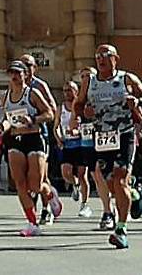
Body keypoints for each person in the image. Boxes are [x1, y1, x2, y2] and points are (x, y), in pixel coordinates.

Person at [73, 43, 142, 250]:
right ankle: (134, 195)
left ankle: (121, 229)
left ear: (115, 58)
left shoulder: (126, 78)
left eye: (105, 55)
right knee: (110, 184)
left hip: (124, 133)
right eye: (97, 56)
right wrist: (83, 113)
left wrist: (137, 100)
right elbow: (78, 104)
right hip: (102, 136)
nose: (101, 59)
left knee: (120, 177)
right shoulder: (89, 82)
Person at [2, 61, 60, 237]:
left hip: (34, 139)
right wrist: (1, 128)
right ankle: (32, 223)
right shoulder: (7, 95)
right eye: (12, 73)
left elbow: (49, 113)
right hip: (15, 140)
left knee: (35, 185)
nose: (14, 76)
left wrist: (33, 119)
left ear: (25, 75)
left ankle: (50, 195)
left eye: (18, 73)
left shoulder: (32, 93)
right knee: (20, 183)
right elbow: (7, 119)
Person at [19, 53, 60, 224]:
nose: (25, 68)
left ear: (34, 68)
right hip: (20, 136)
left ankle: (46, 208)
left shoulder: (39, 85)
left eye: (28, 65)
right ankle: (32, 214)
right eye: (22, 65)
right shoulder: (15, 84)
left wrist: (54, 128)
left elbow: (52, 108)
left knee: (40, 176)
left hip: (39, 134)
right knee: (25, 177)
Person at [57, 79, 93, 218]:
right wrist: (59, 137)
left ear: (76, 91)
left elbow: (86, 124)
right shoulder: (61, 108)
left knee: (83, 174)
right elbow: (56, 126)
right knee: (66, 173)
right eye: (65, 90)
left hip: (81, 143)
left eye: (69, 90)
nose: (67, 93)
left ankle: (85, 204)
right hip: (67, 144)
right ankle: (75, 184)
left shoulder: (81, 106)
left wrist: (78, 132)